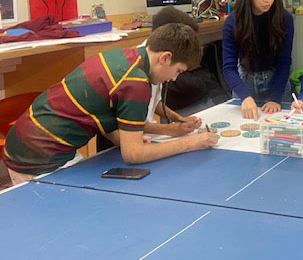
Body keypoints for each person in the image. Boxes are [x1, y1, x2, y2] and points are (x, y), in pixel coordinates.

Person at [1, 23, 218, 185]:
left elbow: (99, 112)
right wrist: (192, 143)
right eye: (178, 71)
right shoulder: (136, 83)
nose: (174, 79)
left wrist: (126, 138)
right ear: (165, 58)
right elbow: (133, 155)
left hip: (25, 142)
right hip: (37, 158)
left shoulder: (122, 56)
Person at [222, 0, 294, 120]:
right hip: (244, 84)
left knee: (280, 131)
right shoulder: (233, 22)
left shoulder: (284, 19)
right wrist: (245, 96)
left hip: (277, 83)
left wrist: (275, 97)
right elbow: (228, 68)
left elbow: (285, 61)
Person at [142, 6, 203, 137]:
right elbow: (132, 127)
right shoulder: (137, 73)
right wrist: (171, 130)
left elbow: (155, 102)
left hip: (145, 134)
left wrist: (179, 119)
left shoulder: (157, 63)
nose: (174, 78)